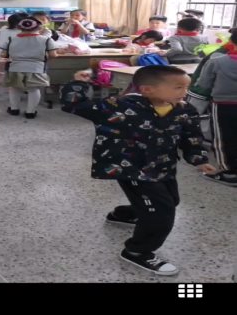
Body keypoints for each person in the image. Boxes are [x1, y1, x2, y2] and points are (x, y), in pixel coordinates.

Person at [60, 65, 215, 276]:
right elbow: (74, 105)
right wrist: (79, 82)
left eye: (186, 87)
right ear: (147, 89)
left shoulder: (185, 110)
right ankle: (137, 251)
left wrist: (199, 159)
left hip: (163, 166)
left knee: (171, 200)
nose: (185, 92)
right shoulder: (119, 106)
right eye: (178, 87)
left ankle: (123, 214)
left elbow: (191, 137)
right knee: (160, 213)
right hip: (131, 168)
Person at [195, 31, 237, 186]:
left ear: (231, 42)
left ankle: (230, 173)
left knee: (224, 139)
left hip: (224, 105)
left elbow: (203, 84)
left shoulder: (217, 61)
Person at [0, 17, 57, 118]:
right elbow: (53, 55)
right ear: (39, 27)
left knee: (14, 88)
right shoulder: (47, 40)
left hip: (15, 67)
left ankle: (14, 109)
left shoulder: (11, 39)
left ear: (19, 27)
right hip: (37, 68)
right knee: (33, 89)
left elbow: (3, 54)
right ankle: (30, 112)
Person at [0, 12, 27, 97]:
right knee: (13, 72)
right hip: (11, 54)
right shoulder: (21, 32)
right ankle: (13, 88)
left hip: (0, 52)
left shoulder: (4, 28)